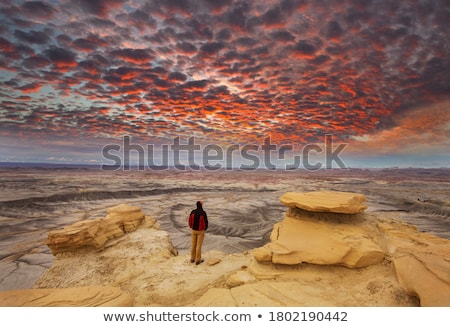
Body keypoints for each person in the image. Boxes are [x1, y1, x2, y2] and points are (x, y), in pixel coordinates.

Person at [188, 200, 208, 265]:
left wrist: (191, 226)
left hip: (193, 230)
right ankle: (197, 260)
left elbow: (189, 220)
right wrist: (205, 228)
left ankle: (192, 258)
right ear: (201, 205)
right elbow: (205, 222)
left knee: (193, 244)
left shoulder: (192, 212)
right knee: (199, 245)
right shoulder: (203, 213)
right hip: (200, 231)